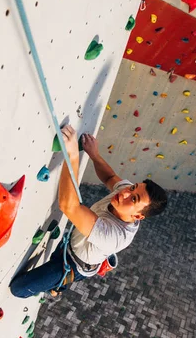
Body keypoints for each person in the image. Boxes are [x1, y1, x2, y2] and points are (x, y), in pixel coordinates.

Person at [10, 125, 167, 298]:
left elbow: (68, 206)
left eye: (134, 198)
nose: (124, 193)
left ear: (138, 216)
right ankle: (58, 285)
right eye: (133, 186)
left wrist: (73, 156)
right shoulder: (126, 192)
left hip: (75, 264)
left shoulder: (114, 236)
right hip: (72, 242)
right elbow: (109, 177)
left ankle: (58, 287)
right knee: (57, 261)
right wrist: (94, 154)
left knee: (20, 288)